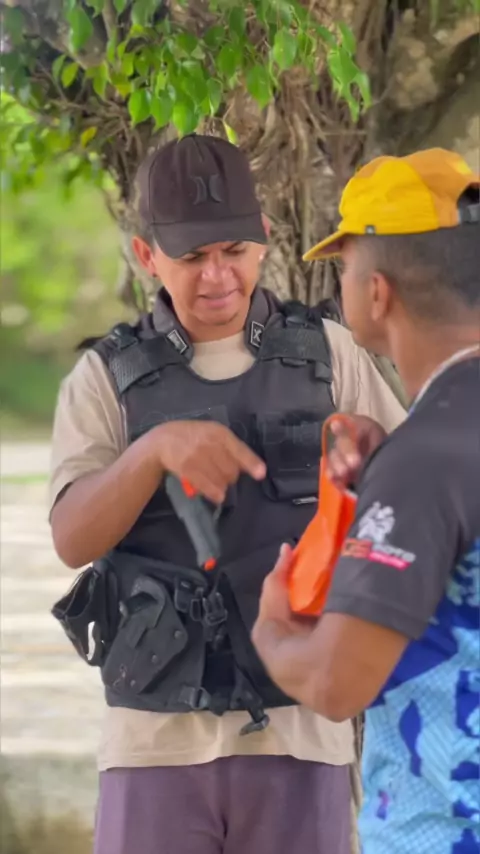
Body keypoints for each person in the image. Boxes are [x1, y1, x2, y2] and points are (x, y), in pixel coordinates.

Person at [49, 133, 405, 854]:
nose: (217, 276)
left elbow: (410, 501)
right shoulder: (104, 376)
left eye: (234, 251)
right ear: (146, 255)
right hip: (154, 739)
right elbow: (71, 539)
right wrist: (151, 453)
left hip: (302, 731)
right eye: (192, 257)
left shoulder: (330, 353)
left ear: (264, 239)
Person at [252, 148, 480, 854]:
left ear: (377, 293)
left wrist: (274, 630)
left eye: (345, 267)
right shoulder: (432, 444)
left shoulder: (428, 456)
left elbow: (335, 682)